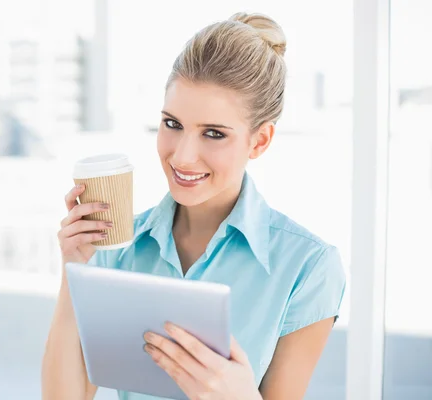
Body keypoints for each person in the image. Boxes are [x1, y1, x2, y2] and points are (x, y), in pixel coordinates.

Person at [42, 11, 346, 400]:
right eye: (173, 124)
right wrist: (74, 270)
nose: (183, 157)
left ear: (259, 142)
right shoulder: (116, 249)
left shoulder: (307, 267)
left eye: (214, 134)